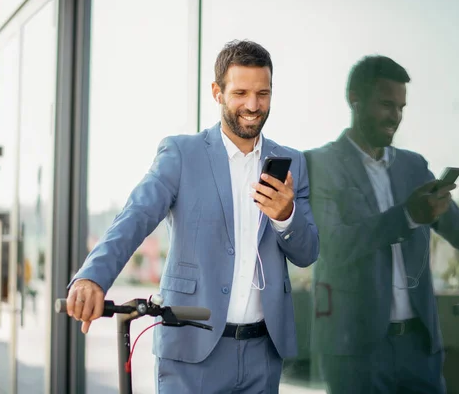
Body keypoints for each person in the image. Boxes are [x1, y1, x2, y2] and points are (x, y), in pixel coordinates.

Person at [66, 39, 319, 393]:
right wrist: (92, 277)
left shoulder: (293, 163)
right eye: (241, 92)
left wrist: (286, 216)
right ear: (217, 92)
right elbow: (136, 215)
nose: (253, 105)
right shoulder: (182, 154)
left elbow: (307, 253)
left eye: (263, 93)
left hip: (263, 352)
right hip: (192, 349)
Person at [304, 55, 459, 393]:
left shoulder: (414, 167)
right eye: (386, 104)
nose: (395, 116)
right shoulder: (318, 164)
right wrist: (406, 216)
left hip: (419, 350)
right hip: (357, 354)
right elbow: (331, 245)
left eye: (401, 107)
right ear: (354, 98)